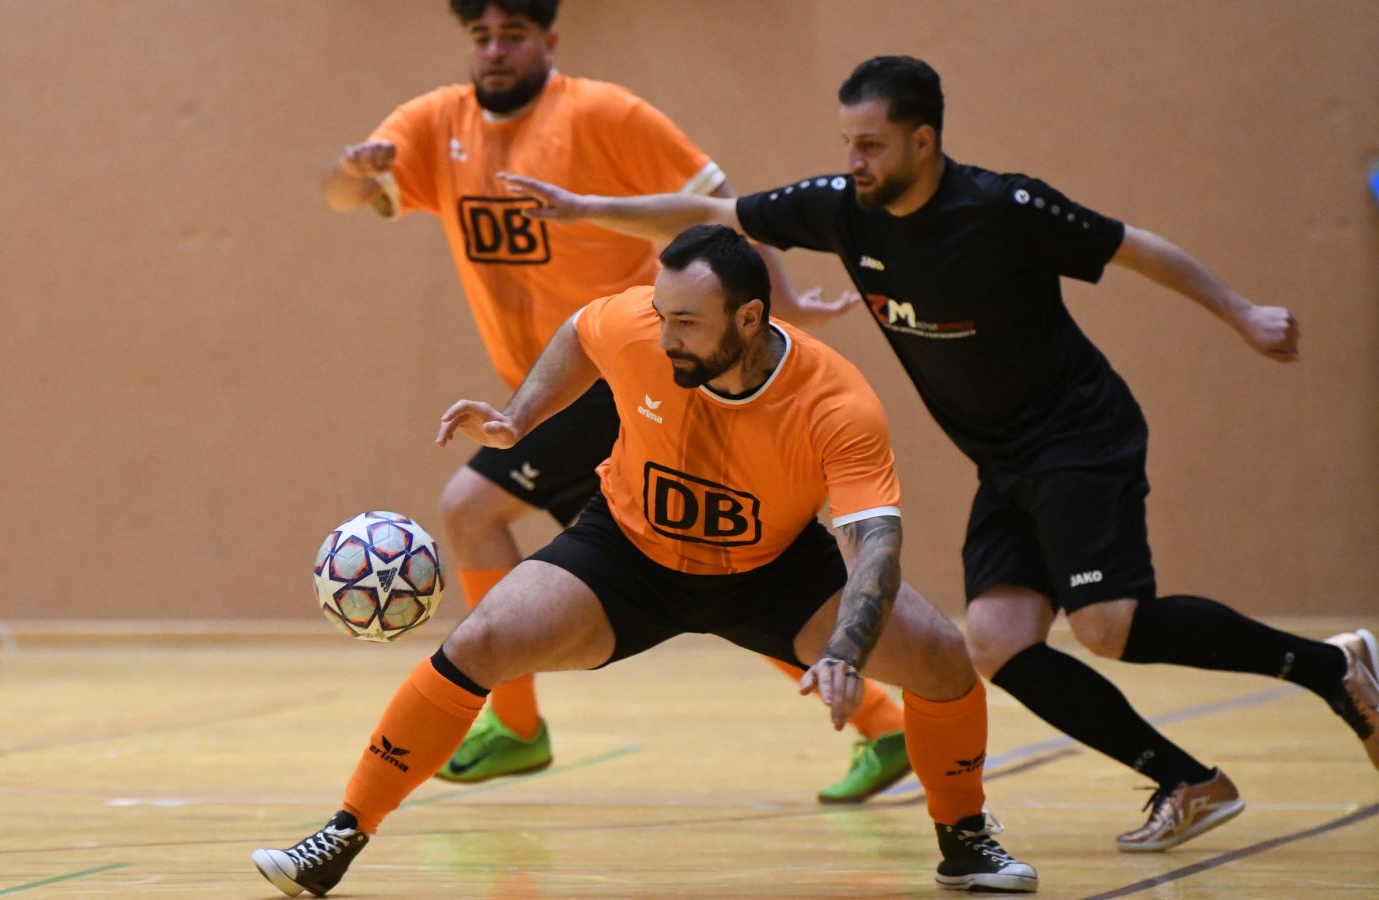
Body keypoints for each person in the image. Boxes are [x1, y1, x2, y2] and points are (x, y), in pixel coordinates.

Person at [498, 54, 1379, 853]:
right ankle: (1189, 780)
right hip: (1003, 460)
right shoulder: (844, 210)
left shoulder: (1003, 208)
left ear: (923, 142)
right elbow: (712, 213)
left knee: (1106, 624)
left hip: (1080, 436)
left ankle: (1330, 667)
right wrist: (587, 210)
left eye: (871, 144)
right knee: (995, 643)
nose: (853, 161)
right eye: (846, 142)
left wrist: (1243, 312)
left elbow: (1134, 248)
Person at [253, 225, 1040, 896]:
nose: (664, 337)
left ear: (750, 318)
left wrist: (844, 650)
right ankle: (342, 832)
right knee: (481, 641)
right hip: (626, 555)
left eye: (686, 324)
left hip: (772, 570)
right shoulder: (643, 326)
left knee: (942, 658)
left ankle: (965, 838)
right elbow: (582, 330)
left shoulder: (834, 400)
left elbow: (874, 543)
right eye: (661, 316)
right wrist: (517, 419)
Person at [320, 0, 910, 802]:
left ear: (548, 40)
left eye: (513, 34)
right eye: (481, 37)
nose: (495, 50)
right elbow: (343, 197)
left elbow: (719, 204)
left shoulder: (605, 114)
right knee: (701, 585)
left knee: (470, 506)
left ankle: (516, 727)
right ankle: (881, 722)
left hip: (624, 378)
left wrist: (786, 300)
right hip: (548, 387)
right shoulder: (435, 123)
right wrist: (352, 172)